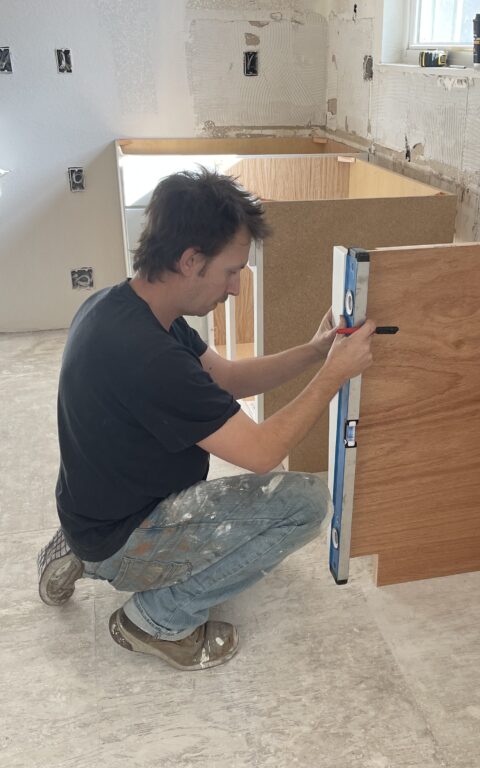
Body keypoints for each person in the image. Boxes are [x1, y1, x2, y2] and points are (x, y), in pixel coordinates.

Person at [36, 168, 375, 671]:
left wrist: (316, 352)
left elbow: (230, 378)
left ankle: (84, 553)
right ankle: (156, 619)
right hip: (125, 530)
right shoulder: (148, 356)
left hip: (94, 510)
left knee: (241, 490)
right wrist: (333, 379)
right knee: (303, 502)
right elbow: (261, 455)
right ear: (190, 260)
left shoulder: (123, 307)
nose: (237, 289)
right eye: (232, 271)